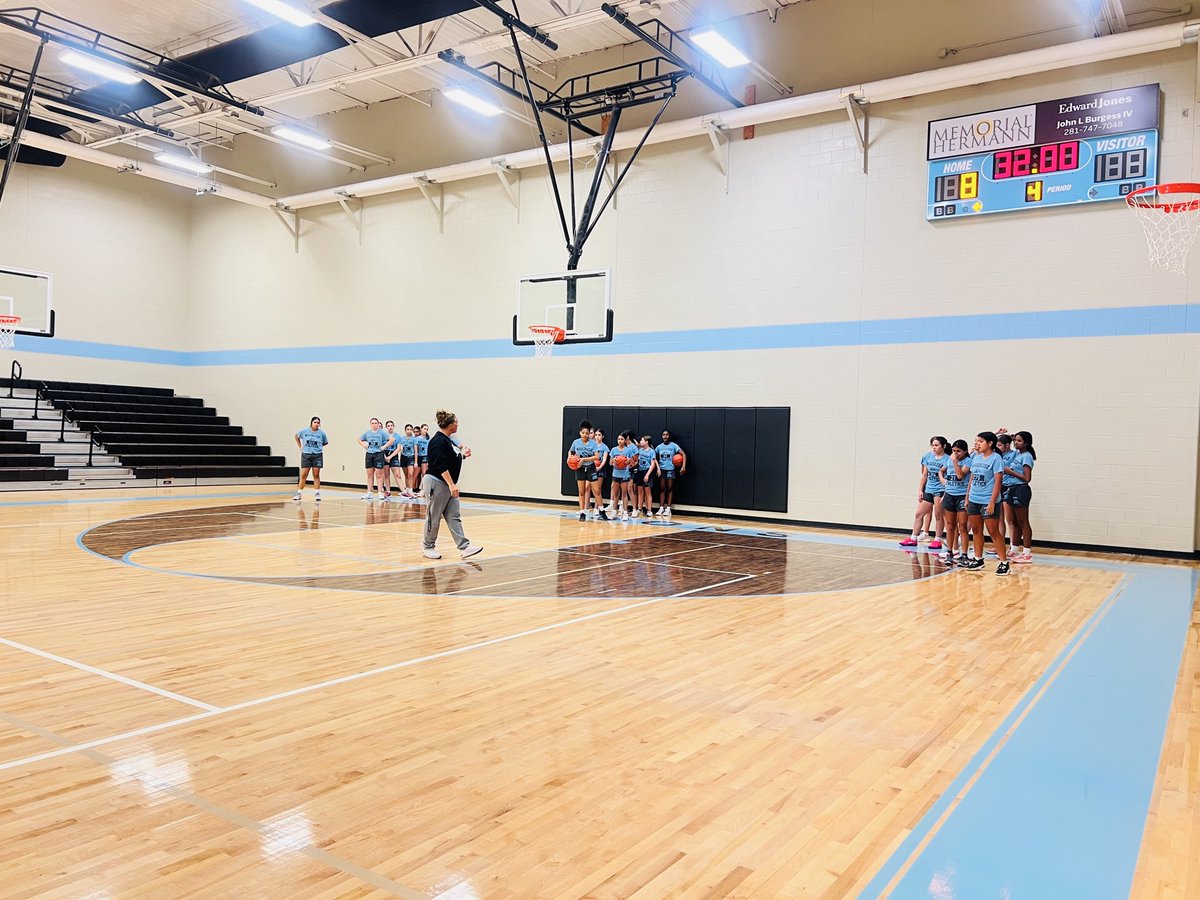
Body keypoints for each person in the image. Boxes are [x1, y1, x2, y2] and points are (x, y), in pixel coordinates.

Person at [421, 408, 483, 559]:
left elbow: (451, 460)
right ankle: (428, 547)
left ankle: (464, 547)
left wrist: (463, 456)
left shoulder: (447, 440)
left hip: (448, 485)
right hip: (437, 483)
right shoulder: (437, 441)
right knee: (433, 516)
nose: (457, 426)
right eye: (456, 423)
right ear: (450, 425)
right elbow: (440, 465)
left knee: (454, 516)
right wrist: (451, 484)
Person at [962, 431, 1009, 575]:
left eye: (980, 441)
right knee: (976, 530)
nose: (977, 444)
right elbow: (972, 478)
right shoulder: (976, 457)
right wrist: (967, 496)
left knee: (993, 531)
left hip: (988, 500)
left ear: (990, 444)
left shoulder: (996, 459)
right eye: (976, 441)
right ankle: (978, 558)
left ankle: (1003, 562)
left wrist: (992, 502)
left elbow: (998, 482)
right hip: (974, 499)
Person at [900, 437, 949, 549]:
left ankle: (937, 539)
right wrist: (920, 490)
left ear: (943, 446)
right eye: (932, 445)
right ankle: (913, 538)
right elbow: (924, 475)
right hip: (929, 489)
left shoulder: (947, 459)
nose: (934, 447)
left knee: (938, 515)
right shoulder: (928, 456)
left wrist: (945, 493)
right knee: (919, 513)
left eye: (936, 445)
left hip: (940, 490)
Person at [1004, 431, 1037, 563]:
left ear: (1026, 443)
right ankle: (1014, 549)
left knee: (1023, 521)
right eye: (1015, 440)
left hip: (1021, 489)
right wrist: (1012, 437)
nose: (1016, 443)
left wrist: (1010, 472)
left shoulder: (1027, 456)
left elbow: (1027, 478)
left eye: (1019, 441)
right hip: (1012, 489)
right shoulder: (1018, 454)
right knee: (1015, 522)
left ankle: (1027, 553)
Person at [939, 439, 970, 564]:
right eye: (954, 451)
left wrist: (954, 461)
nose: (955, 453)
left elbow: (960, 475)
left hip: (961, 495)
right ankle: (950, 552)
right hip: (950, 494)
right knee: (950, 526)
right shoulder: (949, 460)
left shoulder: (968, 461)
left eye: (958, 451)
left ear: (965, 451)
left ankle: (964, 554)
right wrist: (943, 481)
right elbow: (941, 470)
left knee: (962, 525)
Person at [567, 420, 603, 521]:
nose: (585, 435)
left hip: (591, 467)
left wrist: (583, 459)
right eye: (583, 433)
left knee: (596, 490)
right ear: (580, 433)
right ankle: (582, 512)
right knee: (581, 491)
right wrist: (569, 457)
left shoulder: (593, 443)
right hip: (580, 469)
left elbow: (596, 457)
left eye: (587, 433)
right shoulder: (576, 442)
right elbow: (571, 451)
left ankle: (601, 510)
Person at [293, 416, 328, 502]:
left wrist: (318, 447)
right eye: (315, 422)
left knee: (316, 474)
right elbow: (296, 436)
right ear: (311, 423)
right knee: (303, 475)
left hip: (317, 455)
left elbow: (325, 442)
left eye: (318, 423)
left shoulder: (322, 433)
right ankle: (299, 493)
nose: (316, 424)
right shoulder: (304, 431)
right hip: (306, 455)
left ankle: (317, 493)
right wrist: (300, 447)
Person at [654, 430, 686, 517]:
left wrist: (683, 466)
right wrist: (657, 468)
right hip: (662, 469)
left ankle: (668, 509)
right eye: (663, 435)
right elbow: (653, 457)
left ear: (669, 436)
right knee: (662, 489)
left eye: (666, 435)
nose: (665, 436)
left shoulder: (674, 445)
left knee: (670, 489)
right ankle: (661, 508)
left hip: (670, 470)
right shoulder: (659, 447)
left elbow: (683, 454)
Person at [358, 417, 390, 500]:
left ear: (378, 424)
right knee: (369, 475)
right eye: (372, 423)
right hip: (369, 454)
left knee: (379, 474)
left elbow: (391, 439)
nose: (374, 425)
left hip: (378, 454)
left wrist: (384, 447)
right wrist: (363, 444)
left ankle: (380, 492)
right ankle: (369, 492)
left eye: (376, 423)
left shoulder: (382, 433)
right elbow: (359, 439)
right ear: (370, 424)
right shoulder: (367, 433)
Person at [609, 431, 634, 519]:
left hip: (625, 474)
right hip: (615, 474)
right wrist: (614, 461)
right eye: (618, 439)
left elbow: (633, 463)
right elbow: (610, 463)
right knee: (616, 494)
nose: (620, 441)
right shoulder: (613, 450)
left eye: (622, 439)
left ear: (625, 440)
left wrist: (628, 461)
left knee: (624, 494)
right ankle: (614, 512)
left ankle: (625, 513)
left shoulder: (628, 450)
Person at [635, 435, 658, 518]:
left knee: (647, 492)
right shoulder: (639, 451)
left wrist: (647, 474)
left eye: (642, 440)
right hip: (640, 471)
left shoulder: (651, 452)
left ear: (646, 442)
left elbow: (653, 465)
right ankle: (639, 509)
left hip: (647, 471)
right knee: (640, 491)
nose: (640, 442)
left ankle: (649, 510)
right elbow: (637, 461)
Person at [382, 420, 402, 499]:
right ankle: (388, 491)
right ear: (386, 427)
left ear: (393, 426)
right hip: (385, 455)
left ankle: (403, 491)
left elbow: (398, 448)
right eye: (388, 426)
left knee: (398, 475)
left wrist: (390, 457)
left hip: (393, 455)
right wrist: (385, 457)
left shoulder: (398, 436)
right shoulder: (384, 436)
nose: (390, 427)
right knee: (386, 475)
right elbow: (381, 447)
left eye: (391, 425)